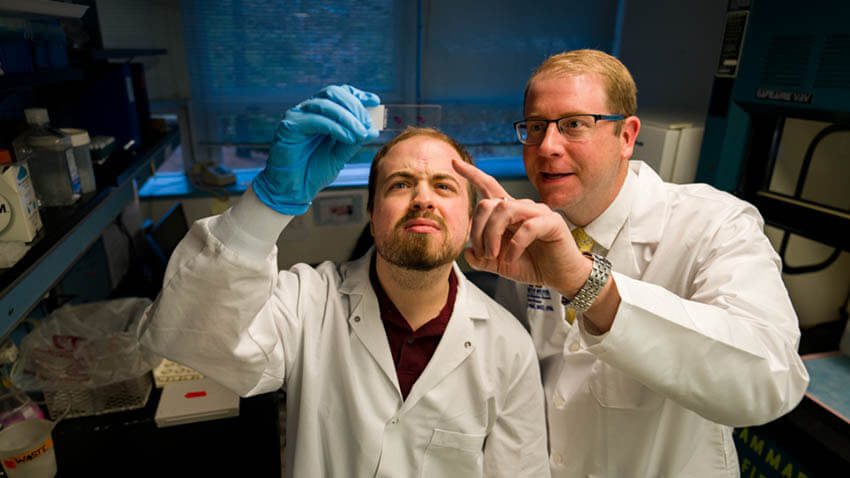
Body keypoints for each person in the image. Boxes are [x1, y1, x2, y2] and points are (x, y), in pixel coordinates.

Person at [137, 85, 550, 478]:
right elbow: (185, 337)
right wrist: (266, 204)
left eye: (444, 186)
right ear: (372, 214)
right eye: (401, 184)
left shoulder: (508, 347)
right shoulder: (306, 303)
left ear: (469, 220)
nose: (423, 199)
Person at [451, 49, 810, 477]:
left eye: (574, 125)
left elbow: (772, 382)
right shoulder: (533, 232)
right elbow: (514, 377)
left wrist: (587, 284)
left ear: (626, 136)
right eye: (535, 127)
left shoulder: (715, 224)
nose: (547, 146)